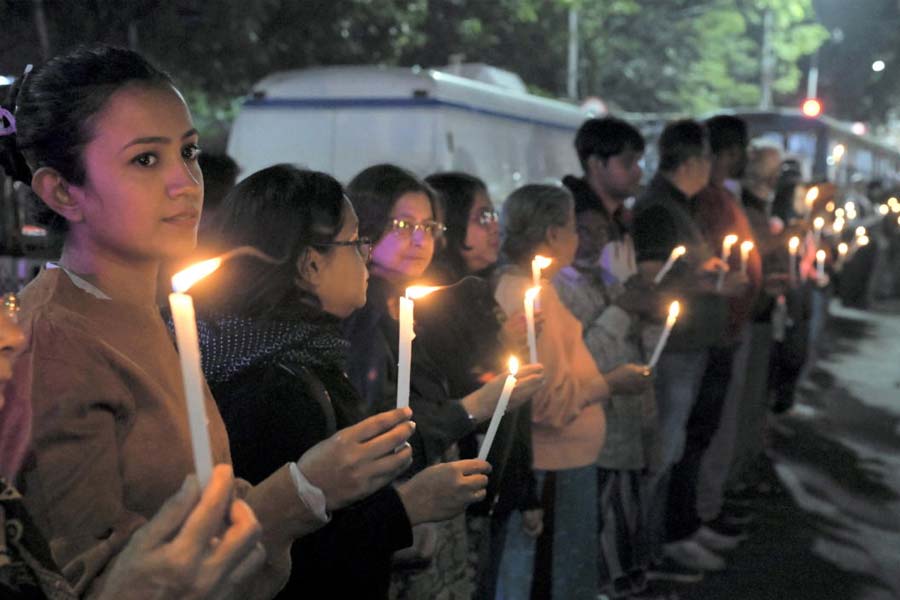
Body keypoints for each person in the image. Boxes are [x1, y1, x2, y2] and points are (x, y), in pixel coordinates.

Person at [4, 45, 415, 598]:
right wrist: (302, 490)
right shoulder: (54, 342)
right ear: (61, 191)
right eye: (146, 159)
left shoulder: (157, 313)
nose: (186, 183)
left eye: (190, 152)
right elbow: (97, 580)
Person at [192, 164, 494, 599]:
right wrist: (409, 506)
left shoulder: (288, 352)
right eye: (355, 243)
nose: (367, 256)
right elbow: (298, 547)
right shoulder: (273, 384)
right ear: (311, 264)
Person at [344, 164, 543, 598]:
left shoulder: (416, 305)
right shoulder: (360, 315)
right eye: (403, 225)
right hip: (396, 508)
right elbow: (379, 428)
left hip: (437, 500)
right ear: (367, 225)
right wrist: (476, 406)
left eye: (428, 226)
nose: (420, 239)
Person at [494, 183, 646, 600]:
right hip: (549, 470)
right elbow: (544, 400)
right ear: (551, 235)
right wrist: (610, 384)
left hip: (564, 463)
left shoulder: (539, 289)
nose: (578, 238)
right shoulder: (526, 297)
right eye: (571, 227)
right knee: (546, 577)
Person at [424, 171, 544, 599]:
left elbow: (512, 406)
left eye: (494, 214)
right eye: (482, 216)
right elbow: (458, 388)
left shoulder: (477, 294)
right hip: (461, 480)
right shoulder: (434, 302)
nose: (495, 226)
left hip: (494, 474)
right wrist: (502, 346)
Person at [631, 120, 731, 582]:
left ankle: (668, 539)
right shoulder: (658, 209)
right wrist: (712, 281)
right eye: (707, 159)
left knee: (676, 448)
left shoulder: (679, 207)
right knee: (662, 452)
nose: (710, 168)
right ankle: (647, 554)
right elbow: (653, 278)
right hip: (672, 349)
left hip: (690, 344)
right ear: (691, 160)